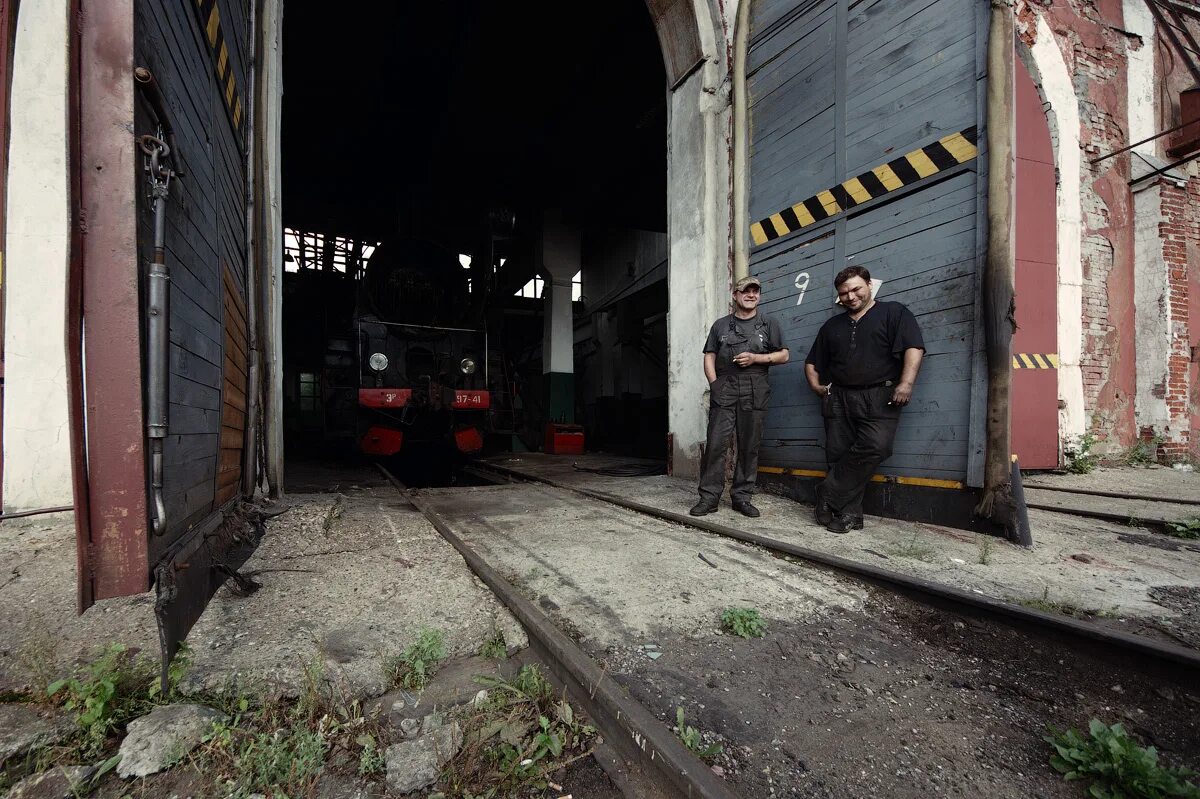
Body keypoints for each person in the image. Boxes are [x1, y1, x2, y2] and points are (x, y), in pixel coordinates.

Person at [804, 265, 924, 533]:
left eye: (856, 289)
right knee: (839, 455)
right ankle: (850, 515)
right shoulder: (832, 326)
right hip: (839, 397)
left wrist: (906, 383)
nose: (851, 296)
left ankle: (827, 492)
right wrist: (817, 387)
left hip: (881, 395)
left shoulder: (894, 312)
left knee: (876, 447)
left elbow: (913, 348)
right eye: (844, 293)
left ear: (869, 285)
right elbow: (812, 362)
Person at [690, 275, 789, 518]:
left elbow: (784, 355)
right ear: (735, 295)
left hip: (755, 387)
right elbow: (709, 355)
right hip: (725, 385)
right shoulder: (720, 325)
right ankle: (709, 498)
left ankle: (742, 498)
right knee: (716, 443)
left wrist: (758, 358)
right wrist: (714, 383)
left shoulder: (769, 323)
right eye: (746, 291)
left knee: (749, 445)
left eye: (756, 291)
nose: (751, 295)